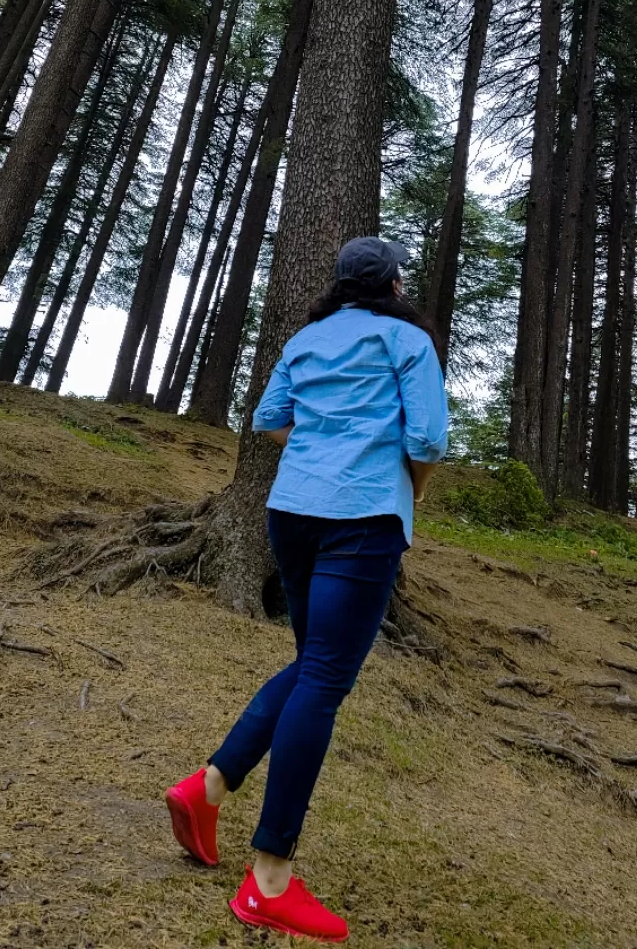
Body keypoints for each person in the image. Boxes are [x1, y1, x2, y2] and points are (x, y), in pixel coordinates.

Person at [164, 236, 448, 942]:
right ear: (394, 284)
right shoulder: (407, 340)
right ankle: (268, 880)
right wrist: (398, 489)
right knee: (323, 679)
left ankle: (208, 789)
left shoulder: (310, 337)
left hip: (291, 513)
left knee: (310, 666)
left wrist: (321, 454)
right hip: (363, 519)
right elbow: (429, 443)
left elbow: (267, 420)